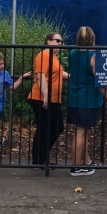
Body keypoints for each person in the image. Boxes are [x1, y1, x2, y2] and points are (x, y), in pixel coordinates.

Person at [67, 26, 107, 176]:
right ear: (92, 39)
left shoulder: (73, 53)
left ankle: (86, 161)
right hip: (87, 99)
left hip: (75, 96)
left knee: (82, 131)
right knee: (81, 132)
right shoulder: (93, 56)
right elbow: (100, 80)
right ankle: (75, 166)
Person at [29, 32, 69, 168]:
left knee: (57, 127)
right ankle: (38, 161)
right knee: (44, 129)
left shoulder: (54, 57)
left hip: (53, 99)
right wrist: (45, 94)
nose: (60, 43)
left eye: (61, 41)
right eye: (57, 41)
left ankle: (42, 156)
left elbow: (59, 73)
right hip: (41, 98)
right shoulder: (43, 55)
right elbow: (40, 76)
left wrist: (74, 76)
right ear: (48, 41)